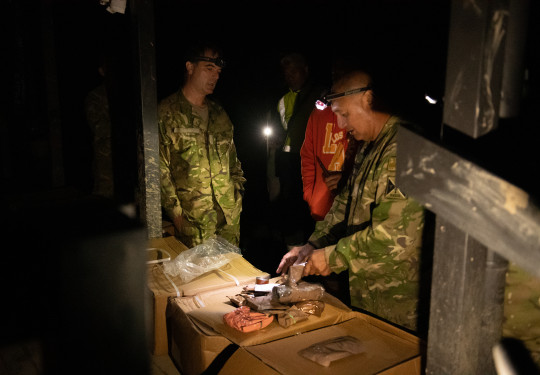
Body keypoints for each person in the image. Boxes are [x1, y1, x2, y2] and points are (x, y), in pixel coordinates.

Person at [276, 69, 426, 331]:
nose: (342, 126)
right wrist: (311, 246)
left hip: (400, 302)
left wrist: (331, 257)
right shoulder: (370, 145)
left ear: (368, 99)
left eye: (344, 114)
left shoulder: (407, 150)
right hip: (365, 294)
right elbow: (345, 204)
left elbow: (396, 236)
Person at [158, 41, 246, 248]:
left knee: (232, 276)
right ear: (190, 67)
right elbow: (158, 169)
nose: (215, 76)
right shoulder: (167, 113)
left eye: (218, 71)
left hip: (228, 220)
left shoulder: (219, 114)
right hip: (193, 225)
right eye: (209, 69)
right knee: (198, 279)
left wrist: (238, 192)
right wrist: (177, 216)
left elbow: (233, 161)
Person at [268, 52, 325, 250]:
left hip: (313, 160)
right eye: (287, 72)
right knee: (289, 202)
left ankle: (313, 247)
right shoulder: (282, 100)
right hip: (289, 159)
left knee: (312, 204)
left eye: (294, 71)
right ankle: (292, 247)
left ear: (305, 70)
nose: (290, 76)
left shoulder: (321, 95)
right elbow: (281, 127)